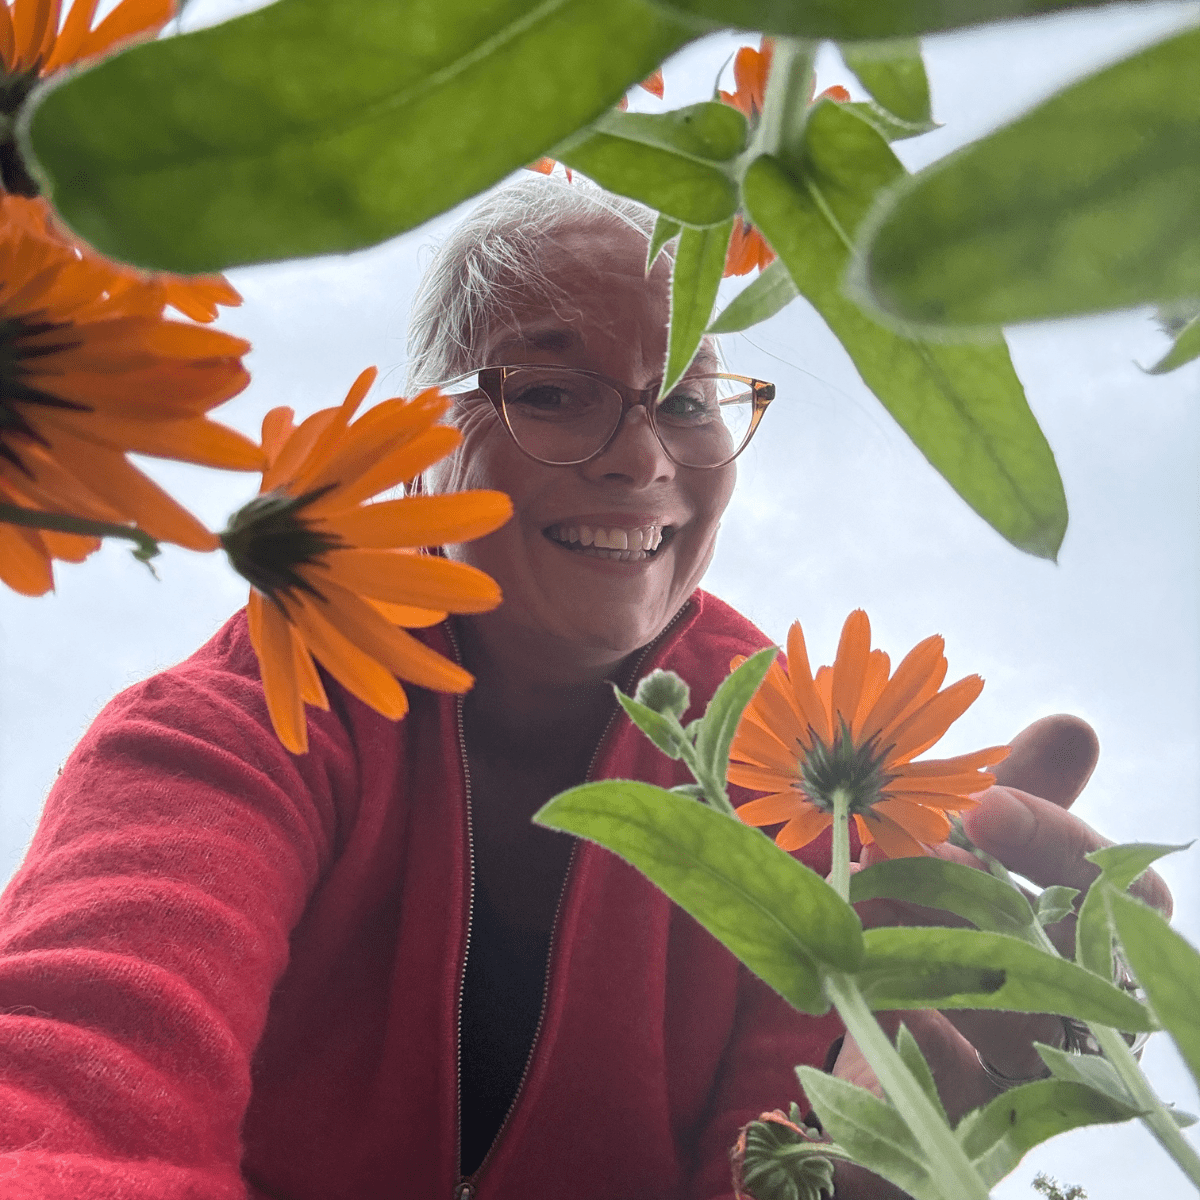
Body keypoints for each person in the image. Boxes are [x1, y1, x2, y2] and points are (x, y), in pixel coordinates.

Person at [0, 177, 1171, 1200]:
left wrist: (874, 1155)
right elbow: (68, 1076)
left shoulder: (808, 789)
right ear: (421, 443)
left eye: (686, 399)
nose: (642, 456)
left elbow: (770, 1173)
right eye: (552, 390)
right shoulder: (237, 722)